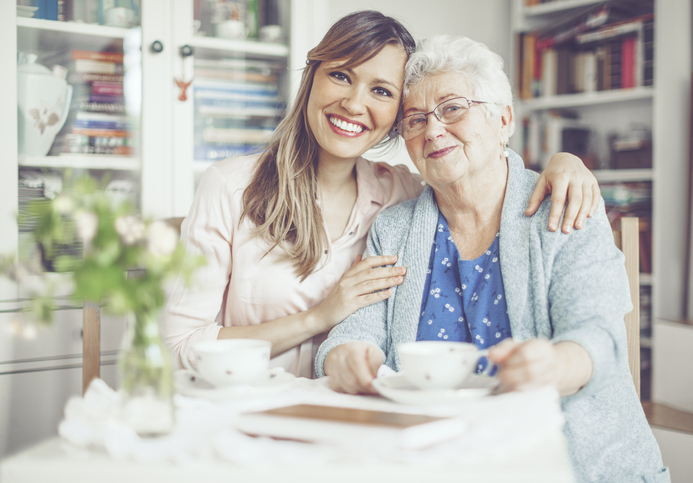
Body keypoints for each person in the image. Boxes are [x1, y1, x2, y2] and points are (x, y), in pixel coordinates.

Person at [163, 11, 601, 379]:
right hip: (247, 410)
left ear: (396, 117)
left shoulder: (404, 198)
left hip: (352, 421)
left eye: (381, 91)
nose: (354, 104)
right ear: (312, 79)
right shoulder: (230, 187)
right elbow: (179, 345)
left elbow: (476, 168)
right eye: (340, 75)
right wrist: (318, 318)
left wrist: (565, 161)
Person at [316, 35, 668, 482]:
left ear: (503, 120)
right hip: (434, 464)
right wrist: (346, 357)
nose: (434, 130)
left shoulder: (562, 204)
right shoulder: (395, 227)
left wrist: (555, 366)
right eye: (415, 120)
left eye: (453, 108)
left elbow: (598, 335)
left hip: (565, 465)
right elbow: (357, 330)